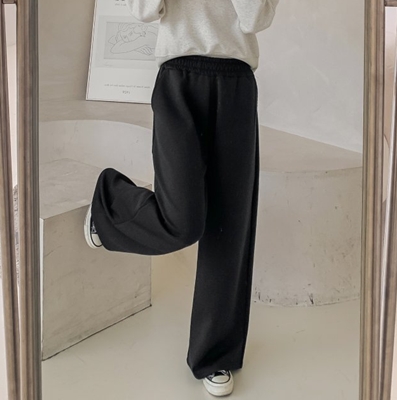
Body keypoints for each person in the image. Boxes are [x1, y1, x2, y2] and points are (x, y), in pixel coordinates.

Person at [83, 0, 279, 396]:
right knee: (182, 220)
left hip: (236, 81)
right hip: (178, 78)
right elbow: (144, 10)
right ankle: (111, 204)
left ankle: (215, 354)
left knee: (230, 226)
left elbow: (255, 17)